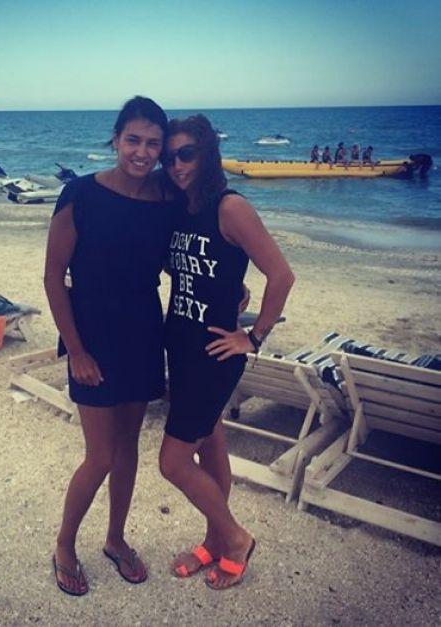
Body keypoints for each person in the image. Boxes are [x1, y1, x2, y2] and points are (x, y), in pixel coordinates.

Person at [44, 96, 178, 596]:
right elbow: (54, 276)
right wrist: (76, 350)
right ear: (116, 139)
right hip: (92, 337)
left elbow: (175, 258)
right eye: (133, 140)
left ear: (162, 149)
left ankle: (116, 539)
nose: (142, 152)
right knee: (99, 455)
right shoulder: (80, 194)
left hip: (143, 333)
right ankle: (64, 544)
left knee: (127, 450)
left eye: (153, 144)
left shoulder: (166, 199)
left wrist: (229, 287)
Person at [159, 114, 294, 590]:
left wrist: (253, 337)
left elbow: (282, 275)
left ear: (207, 154)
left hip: (215, 355)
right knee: (211, 439)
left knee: (173, 463)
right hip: (181, 345)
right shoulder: (181, 206)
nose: (177, 165)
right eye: (169, 157)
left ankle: (236, 538)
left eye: (186, 154)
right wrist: (232, 288)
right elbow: (194, 268)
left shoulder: (230, 207)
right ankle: (214, 539)